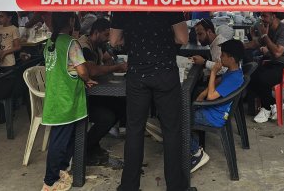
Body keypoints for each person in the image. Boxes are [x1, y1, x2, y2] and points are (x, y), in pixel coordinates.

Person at [110, 11, 189, 191]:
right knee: (171, 130)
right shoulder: (169, 1)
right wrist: (163, 38)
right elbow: (183, 38)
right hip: (165, 73)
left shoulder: (124, 4)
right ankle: (176, 186)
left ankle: (129, 186)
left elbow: (114, 41)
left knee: (134, 130)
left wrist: (134, 39)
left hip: (137, 75)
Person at [42, 12, 96, 191]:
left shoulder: (50, 42)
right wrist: (87, 79)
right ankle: (50, 180)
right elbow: (82, 71)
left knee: (63, 137)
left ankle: (61, 170)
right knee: (59, 141)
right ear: (71, 21)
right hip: (67, 97)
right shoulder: (71, 43)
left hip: (54, 95)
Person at [189, 39, 245, 173]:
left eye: (223, 55)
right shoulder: (233, 71)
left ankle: (196, 153)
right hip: (213, 110)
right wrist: (202, 94)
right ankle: (190, 143)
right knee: (189, 104)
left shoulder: (234, 78)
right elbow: (218, 82)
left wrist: (214, 72)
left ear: (231, 59)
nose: (220, 57)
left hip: (214, 116)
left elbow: (211, 96)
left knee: (179, 119)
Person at [77, 18, 127, 166]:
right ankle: (84, 150)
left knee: (120, 105)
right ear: (96, 32)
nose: (108, 39)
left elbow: (108, 59)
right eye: (106, 35)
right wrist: (116, 68)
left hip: (94, 92)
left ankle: (93, 144)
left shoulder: (99, 44)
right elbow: (92, 71)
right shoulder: (84, 46)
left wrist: (109, 65)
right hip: (82, 96)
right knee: (107, 117)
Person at [246, 12, 284, 122]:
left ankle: (266, 108)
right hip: (278, 64)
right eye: (261, 16)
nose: (262, 19)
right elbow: (256, 43)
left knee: (263, 78)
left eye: (265, 16)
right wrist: (240, 46)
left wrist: (265, 35)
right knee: (251, 75)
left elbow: (277, 52)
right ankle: (273, 104)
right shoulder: (270, 29)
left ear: (273, 16)